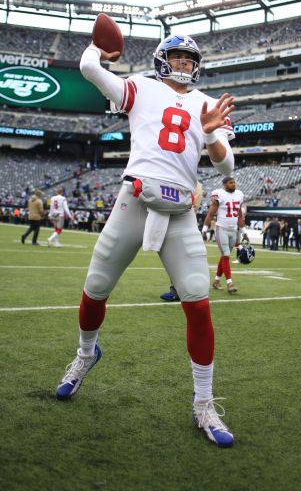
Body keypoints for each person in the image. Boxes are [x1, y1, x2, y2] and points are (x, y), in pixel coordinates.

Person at [54, 34, 239, 448]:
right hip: (134, 200)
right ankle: (86, 354)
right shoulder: (141, 86)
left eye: (190, 60)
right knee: (94, 290)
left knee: (197, 302)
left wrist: (209, 135)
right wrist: (97, 49)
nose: (184, 65)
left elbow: (227, 164)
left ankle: (204, 403)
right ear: (161, 59)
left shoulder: (207, 103)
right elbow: (88, 70)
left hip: (179, 212)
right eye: (176, 57)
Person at [205, 176, 246, 294]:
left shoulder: (239, 194)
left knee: (224, 256)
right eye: (231, 182)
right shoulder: (219, 194)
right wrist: (204, 228)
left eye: (234, 182)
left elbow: (239, 214)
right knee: (226, 255)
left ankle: (216, 281)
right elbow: (211, 212)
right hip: (221, 228)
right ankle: (230, 283)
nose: (234, 184)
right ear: (225, 184)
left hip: (233, 230)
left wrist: (244, 231)